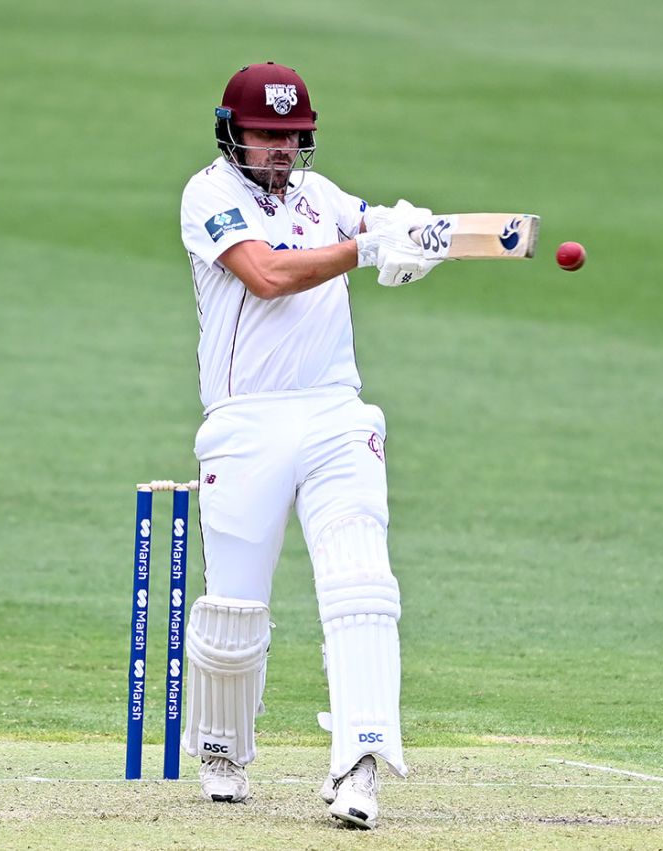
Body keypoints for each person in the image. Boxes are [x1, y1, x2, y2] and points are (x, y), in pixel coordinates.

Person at [177, 61, 442, 830]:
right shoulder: (208, 196)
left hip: (335, 414)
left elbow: (377, 226)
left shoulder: (321, 198)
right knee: (234, 610)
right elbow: (264, 274)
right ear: (232, 133)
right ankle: (222, 747)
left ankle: (362, 762)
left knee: (363, 586)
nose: (283, 149)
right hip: (245, 421)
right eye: (268, 135)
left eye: (294, 136)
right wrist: (366, 250)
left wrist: (417, 235)